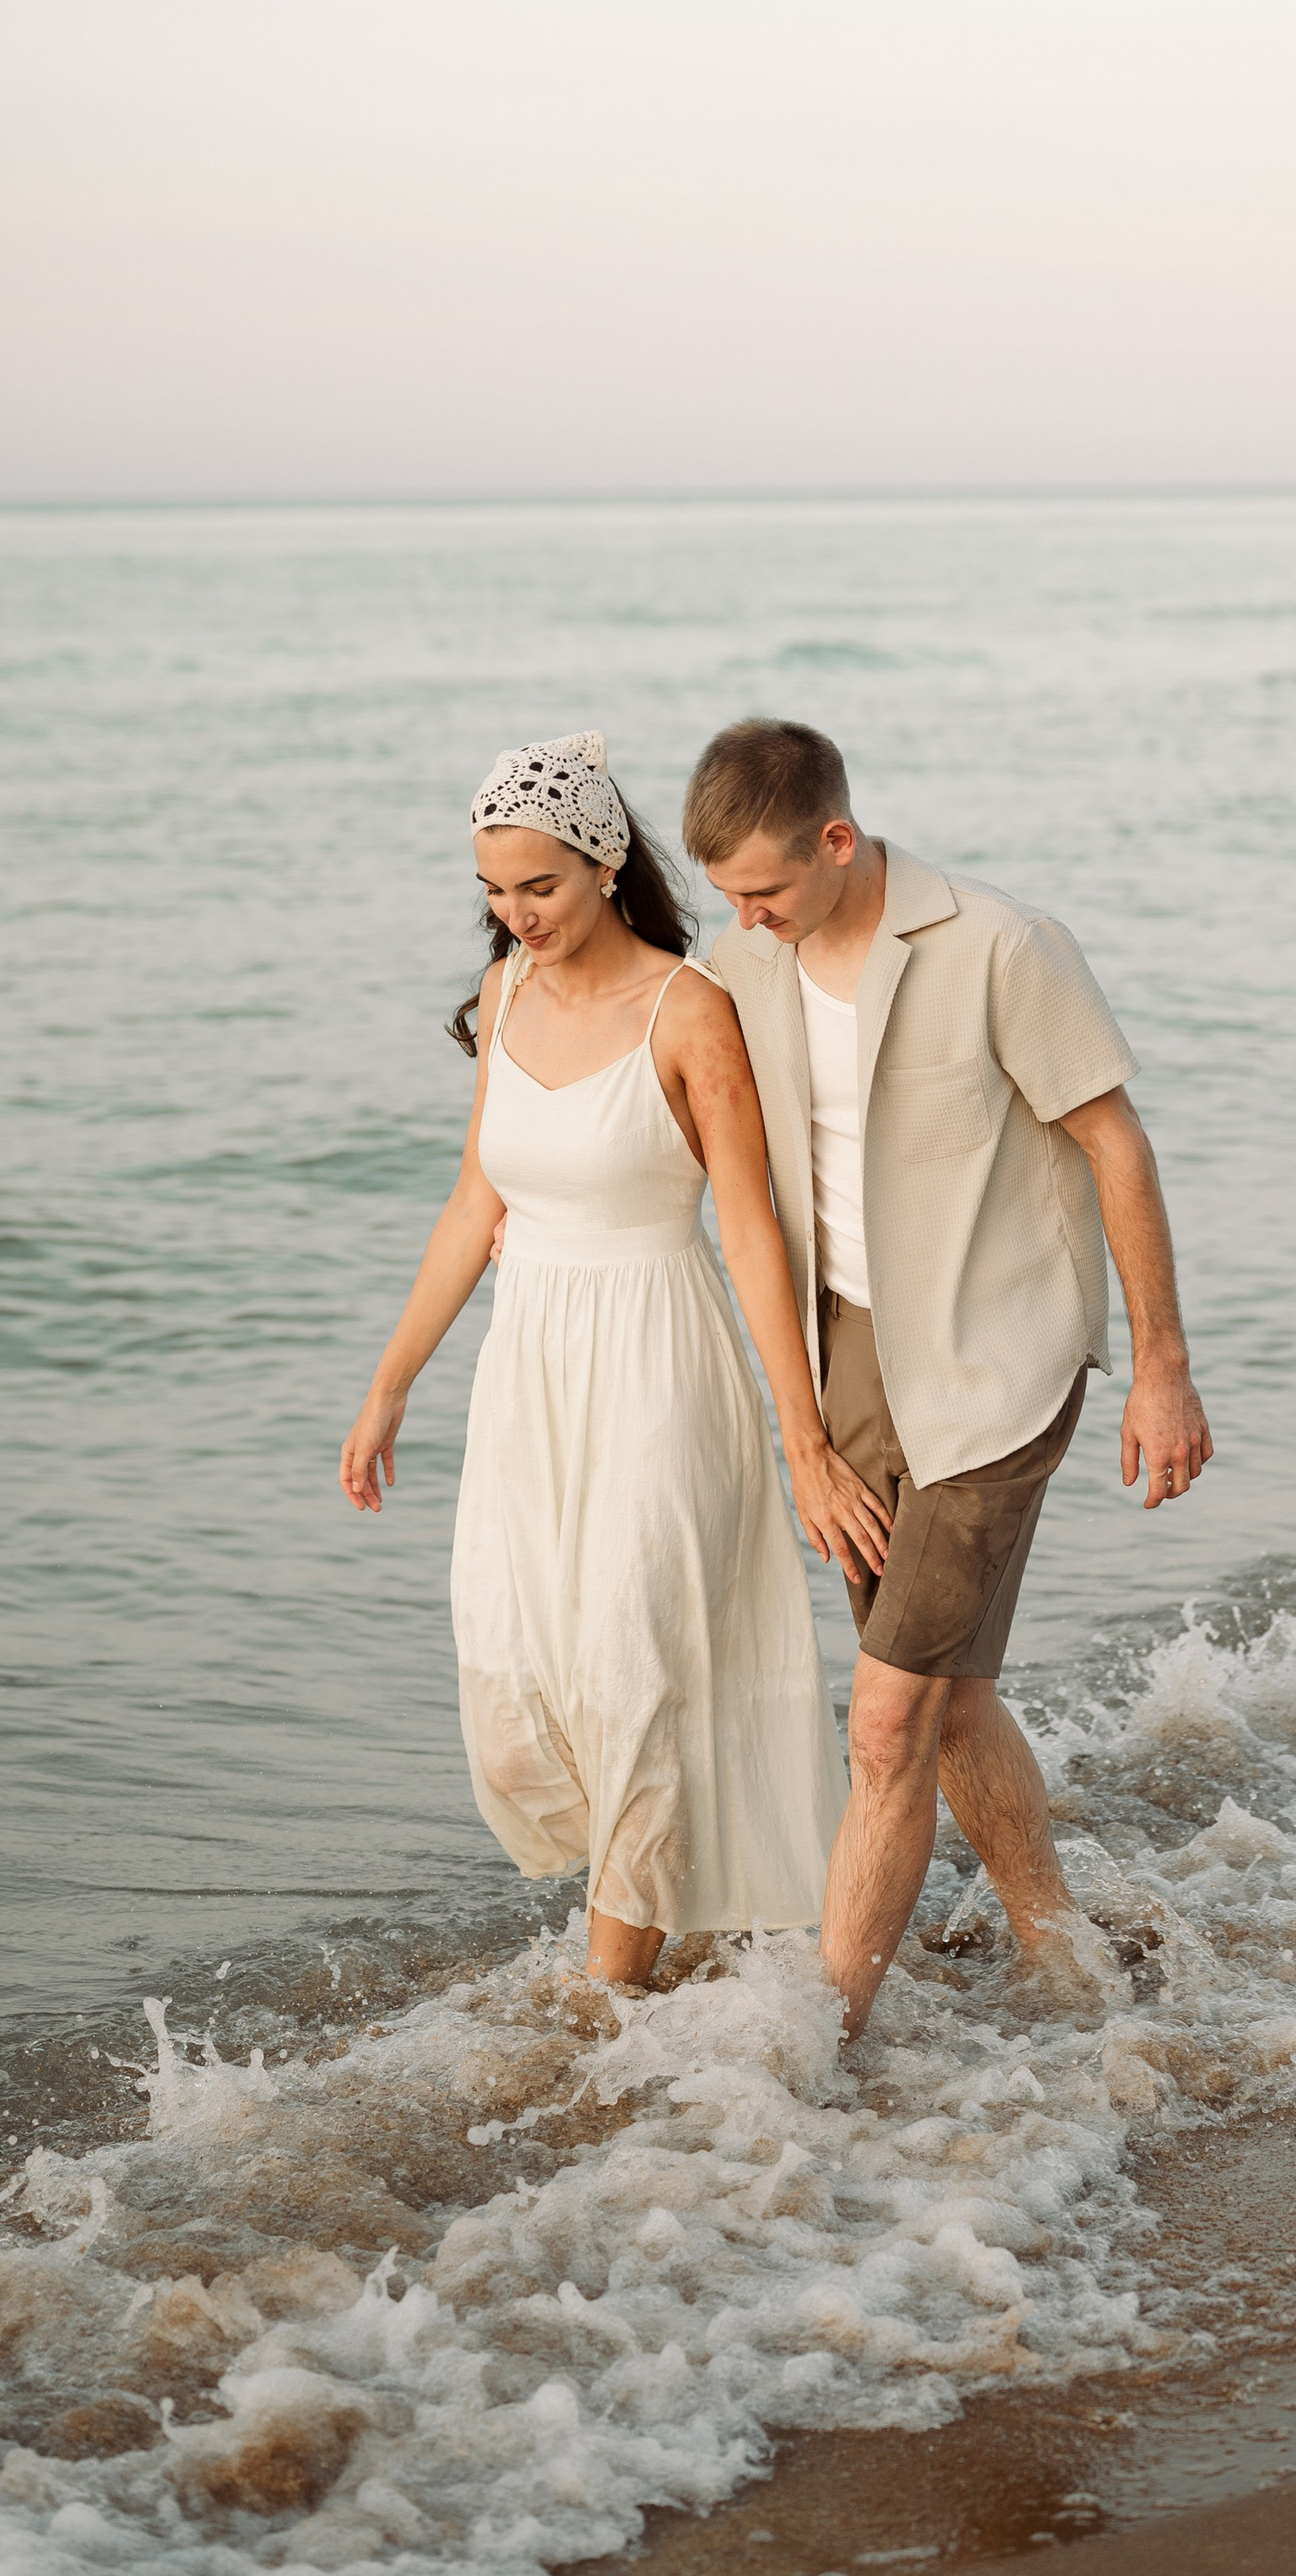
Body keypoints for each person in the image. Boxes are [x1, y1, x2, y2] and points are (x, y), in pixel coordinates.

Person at [684, 718, 1213, 2039]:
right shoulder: (740, 960)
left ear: (839, 841)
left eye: (764, 890)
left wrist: (1163, 1370)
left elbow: (1116, 1147)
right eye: (726, 898)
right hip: (851, 1354)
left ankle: (819, 2049)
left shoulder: (997, 945)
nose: (745, 919)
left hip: (999, 1359)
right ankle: (1064, 1950)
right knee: (951, 1695)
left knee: (882, 1724)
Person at [339, 731, 852, 1988]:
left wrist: (805, 1441)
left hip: (659, 1370)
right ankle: (678, 1905)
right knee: (515, 1673)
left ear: (605, 863)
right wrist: (390, 1384)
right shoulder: (509, 993)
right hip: (531, 1381)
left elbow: (748, 1233)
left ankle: (605, 2004)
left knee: (634, 1673)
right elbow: (475, 1203)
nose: (518, 918)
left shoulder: (690, 1009)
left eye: (541, 889)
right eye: (496, 895)